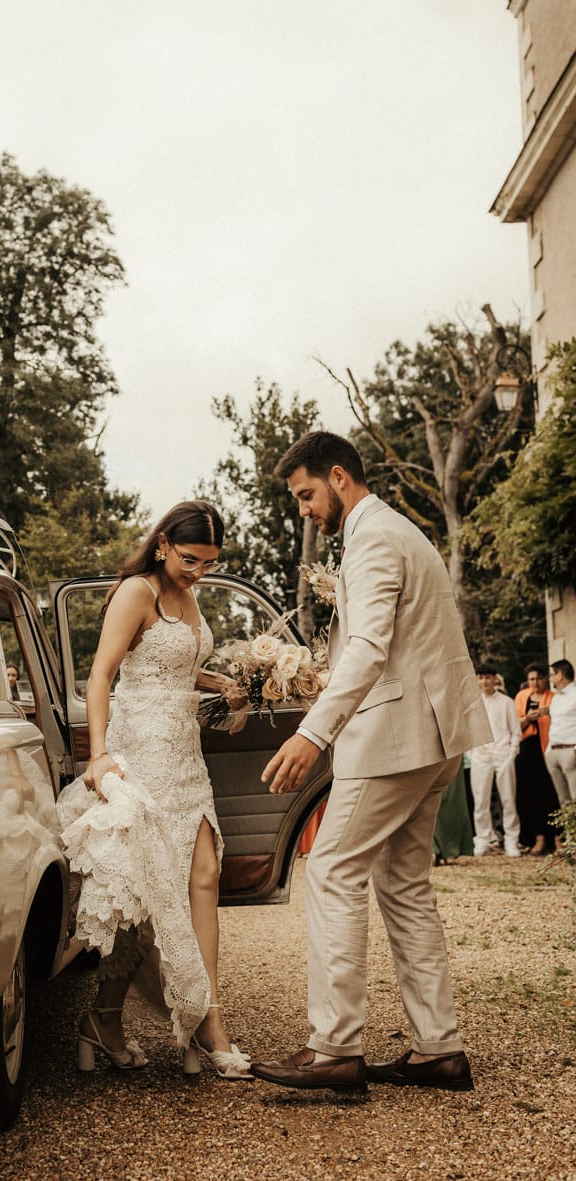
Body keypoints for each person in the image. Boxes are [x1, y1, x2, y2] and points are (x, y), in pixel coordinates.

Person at [249, 431, 491, 1094]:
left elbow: (371, 647)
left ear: (338, 476)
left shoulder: (373, 538)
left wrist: (312, 734)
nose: (303, 508)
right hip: (433, 736)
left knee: (330, 867)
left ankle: (334, 1048)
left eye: (305, 494)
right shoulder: (400, 531)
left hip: (394, 736)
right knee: (403, 881)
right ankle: (438, 1048)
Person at [58, 500, 253, 1080]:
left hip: (187, 759)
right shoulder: (137, 591)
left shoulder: (188, 594)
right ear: (163, 542)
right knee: (144, 897)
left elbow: (171, 667)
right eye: (192, 559)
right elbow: (104, 674)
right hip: (140, 756)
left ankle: (204, 1017)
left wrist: (226, 683)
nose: (199, 572)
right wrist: (99, 755)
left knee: (204, 879)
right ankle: (107, 1017)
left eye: (210, 563)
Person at [468, 664, 522, 857]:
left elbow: (515, 731)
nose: (484, 681)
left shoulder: (506, 702)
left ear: (495, 679)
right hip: (481, 756)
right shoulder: (473, 702)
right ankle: (483, 839)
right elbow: (469, 731)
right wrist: (472, 754)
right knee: (480, 801)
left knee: (508, 800)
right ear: (476, 679)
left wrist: (511, 753)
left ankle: (511, 840)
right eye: (481, 677)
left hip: (503, 754)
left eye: (488, 677)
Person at [514, 664, 559, 855]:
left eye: (539, 678)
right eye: (531, 679)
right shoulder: (522, 696)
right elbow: (515, 725)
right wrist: (528, 719)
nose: (535, 683)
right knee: (529, 794)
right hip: (528, 749)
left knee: (551, 793)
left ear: (546, 679)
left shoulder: (554, 698)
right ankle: (538, 837)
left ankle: (557, 837)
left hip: (547, 748)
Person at [545, 659, 576, 806]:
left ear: (560, 675)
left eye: (551, 675)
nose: (549, 678)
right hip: (553, 752)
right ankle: (567, 829)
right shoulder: (555, 698)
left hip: (570, 751)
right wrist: (548, 750)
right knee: (563, 802)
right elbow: (555, 723)